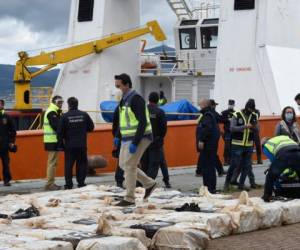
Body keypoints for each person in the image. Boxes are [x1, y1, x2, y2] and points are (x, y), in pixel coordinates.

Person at [113, 73, 156, 206]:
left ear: (127, 85)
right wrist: (118, 136)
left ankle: (129, 198)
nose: (117, 89)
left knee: (130, 166)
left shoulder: (136, 99)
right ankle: (150, 184)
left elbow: (142, 122)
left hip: (141, 137)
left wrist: (136, 142)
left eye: (119, 86)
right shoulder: (124, 99)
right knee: (123, 165)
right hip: (127, 138)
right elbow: (123, 120)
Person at [58, 97, 94, 189]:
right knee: (82, 164)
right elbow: (91, 127)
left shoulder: (64, 116)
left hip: (69, 145)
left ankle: (69, 184)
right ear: (77, 104)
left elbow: (60, 132)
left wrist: (61, 145)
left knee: (69, 165)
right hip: (82, 144)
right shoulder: (84, 114)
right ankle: (81, 183)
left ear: (69, 105)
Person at [224, 99, 258, 191]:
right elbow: (232, 128)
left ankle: (241, 185)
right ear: (247, 107)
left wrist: (254, 128)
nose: (251, 111)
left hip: (249, 144)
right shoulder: (237, 114)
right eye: (250, 109)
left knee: (246, 166)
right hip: (237, 144)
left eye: (252, 109)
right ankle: (227, 184)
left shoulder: (254, 116)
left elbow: (257, 129)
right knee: (234, 165)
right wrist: (244, 127)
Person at [141, 92, 171, 188]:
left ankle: (144, 183)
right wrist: (160, 138)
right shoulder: (160, 112)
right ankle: (152, 184)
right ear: (158, 100)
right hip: (156, 142)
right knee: (156, 163)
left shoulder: (143, 110)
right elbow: (163, 129)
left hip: (144, 141)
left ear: (148, 99)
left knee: (145, 163)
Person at [261, 136, 300, 201]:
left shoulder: (266, 146)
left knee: (271, 175)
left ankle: (268, 196)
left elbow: (274, 161)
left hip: (284, 154)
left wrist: (282, 172)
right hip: (298, 152)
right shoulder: (282, 138)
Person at [196, 99, 220, 193]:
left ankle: (209, 188)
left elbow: (207, 129)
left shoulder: (207, 115)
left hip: (208, 146)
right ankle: (209, 188)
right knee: (209, 167)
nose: (199, 106)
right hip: (210, 146)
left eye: (200, 104)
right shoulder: (210, 114)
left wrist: (201, 140)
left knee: (208, 168)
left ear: (204, 105)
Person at [43, 95, 64, 191]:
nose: (61, 104)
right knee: (52, 163)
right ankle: (49, 184)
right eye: (59, 102)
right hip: (52, 140)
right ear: (54, 102)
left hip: (52, 140)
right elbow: (56, 126)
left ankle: (50, 182)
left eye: (61, 102)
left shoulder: (55, 111)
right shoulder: (52, 112)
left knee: (53, 163)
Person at [0, 99, 16, 186]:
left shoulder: (7, 117)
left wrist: (11, 142)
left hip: (4, 145)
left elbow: (13, 131)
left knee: (6, 163)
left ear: (3, 106)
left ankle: (7, 180)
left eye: (0, 104)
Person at [209, 99, 225, 176]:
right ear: (212, 105)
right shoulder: (213, 113)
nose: (215, 106)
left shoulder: (205, 113)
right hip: (213, 137)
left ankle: (200, 171)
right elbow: (221, 119)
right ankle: (220, 170)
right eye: (214, 105)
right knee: (213, 154)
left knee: (208, 154)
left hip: (208, 137)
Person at [221, 99, 235, 165]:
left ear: (234, 105)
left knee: (233, 146)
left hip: (233, 132)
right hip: (227, 131)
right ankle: (226, 160)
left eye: (232, 105)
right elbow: (221, 120)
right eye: (230, 104)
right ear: (228, 104)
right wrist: (228, 119)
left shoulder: (235, 113)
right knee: (227, 146)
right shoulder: (224, 112)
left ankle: (231, 160)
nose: (231, 106)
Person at [248, 99, 263, 164]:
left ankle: (259, 159)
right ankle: (250, 160)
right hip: (249, 129)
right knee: (250, 145)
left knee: (257, 145)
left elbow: (256, 118)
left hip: (255, 129)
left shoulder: (256, 111)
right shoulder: (247, 110)